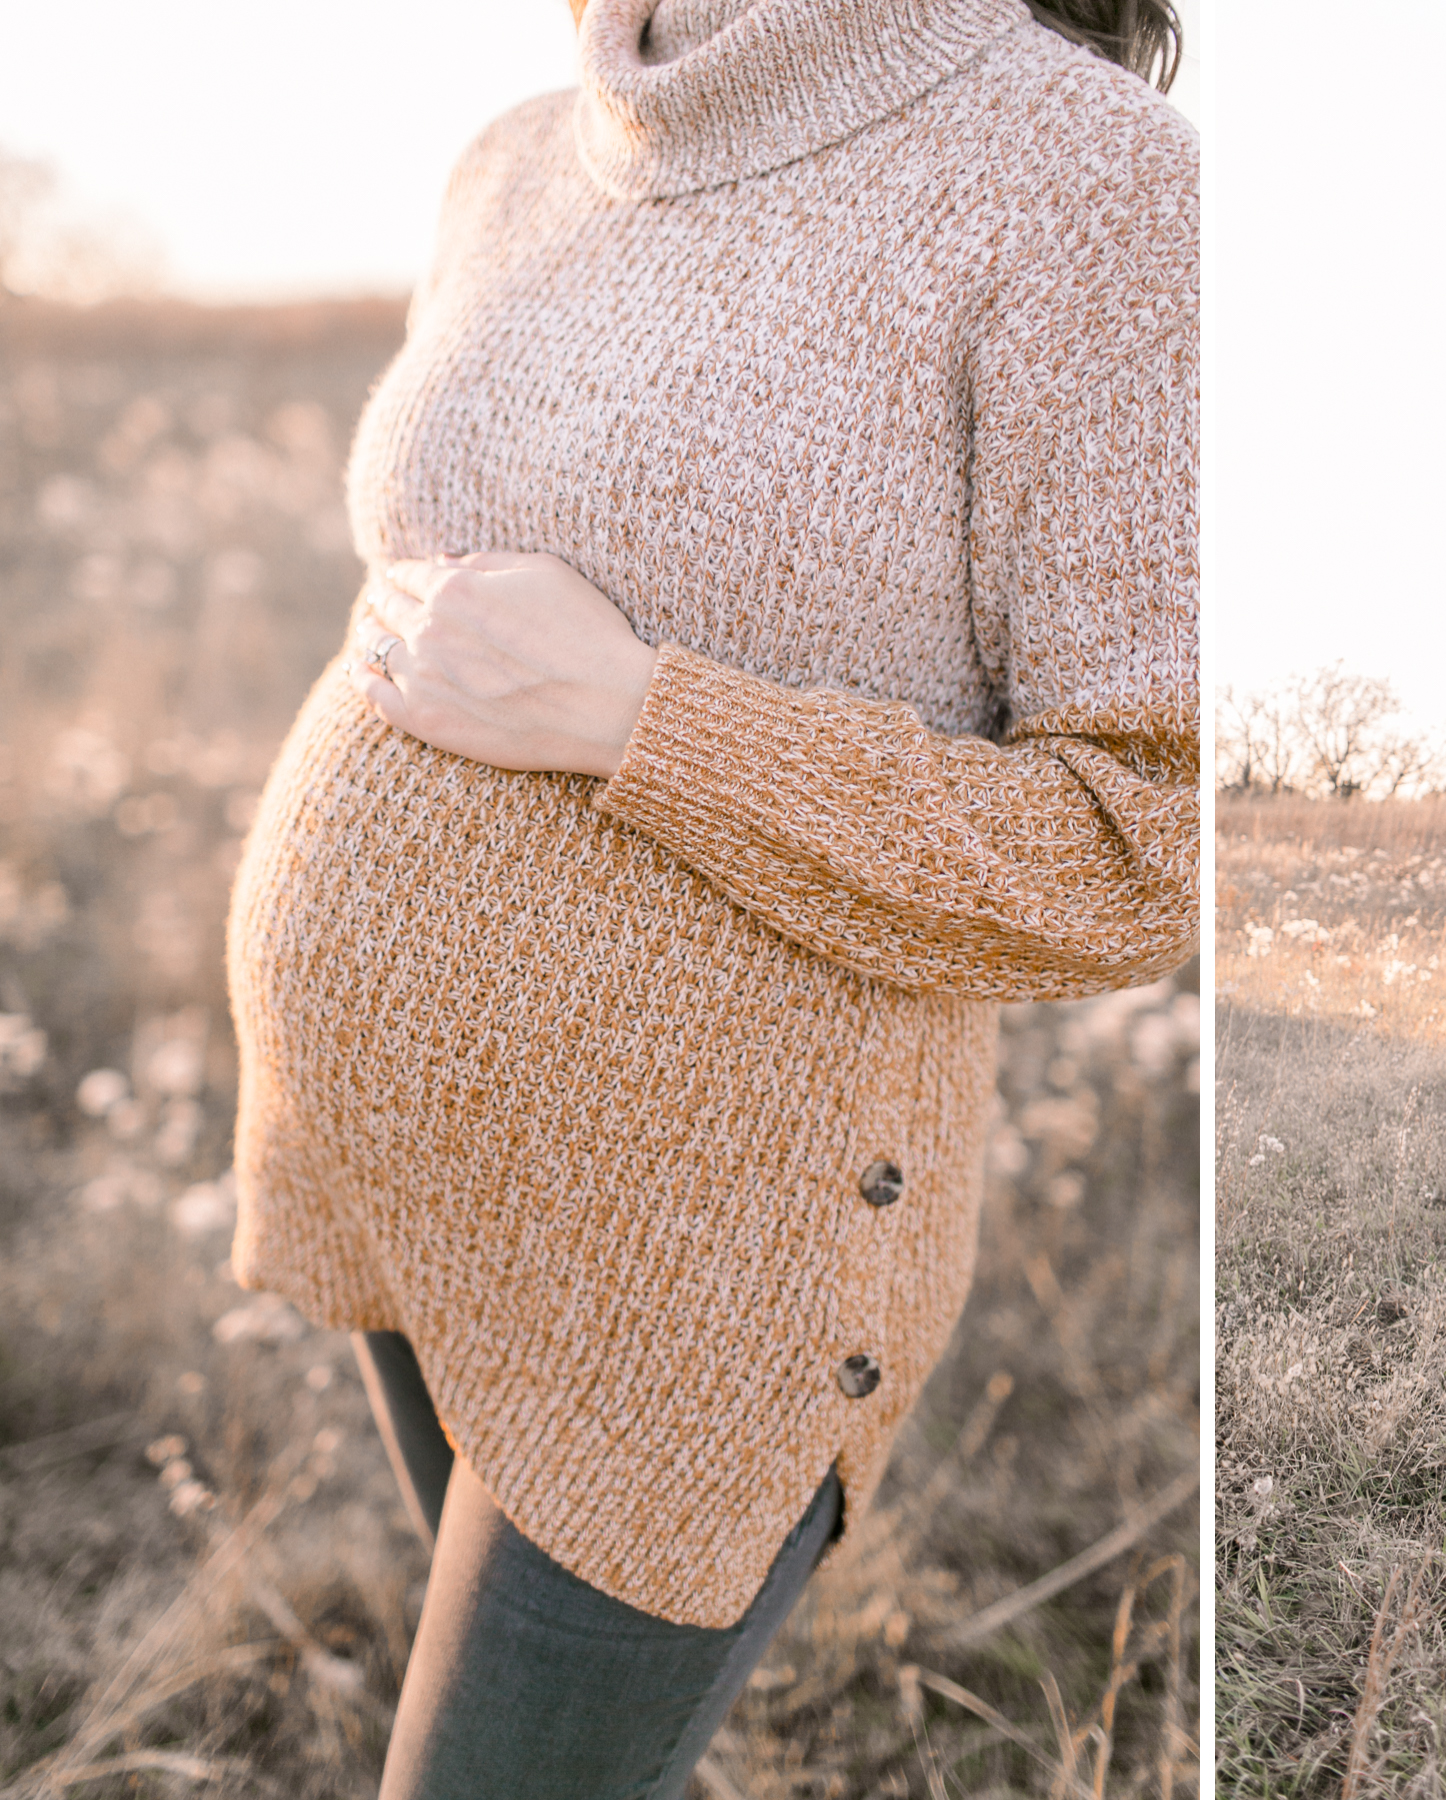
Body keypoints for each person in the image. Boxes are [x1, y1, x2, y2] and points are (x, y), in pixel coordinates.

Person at [223, 0, 1197, 1792]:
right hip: (404, 1173)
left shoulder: (1086, 182)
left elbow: (1146, 843)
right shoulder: (519, 155)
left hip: (692, 1279)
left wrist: (636, 721)